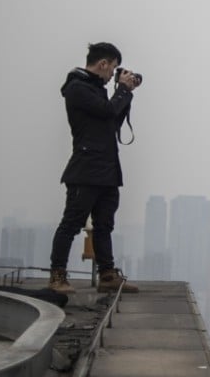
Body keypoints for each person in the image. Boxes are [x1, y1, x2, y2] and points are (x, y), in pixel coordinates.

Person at [47, 42, 141, 294]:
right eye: (112, 69)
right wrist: (121, 90)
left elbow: (111, 122)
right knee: (71, 223)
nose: (113, 74)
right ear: (103, 64)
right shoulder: (77, 89)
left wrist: (126, 93)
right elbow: (107, 110)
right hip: (87, 169)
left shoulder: (97, 90)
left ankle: (107, 275)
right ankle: (57, 276)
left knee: (104, 225)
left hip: (107, 170)